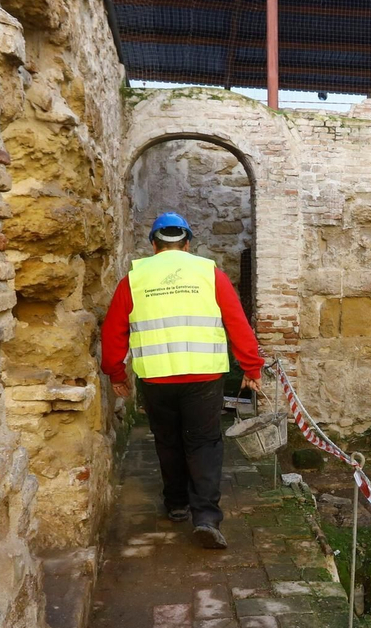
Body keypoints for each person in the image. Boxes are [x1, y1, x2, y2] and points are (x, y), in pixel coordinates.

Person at [101, 212, 263, 549]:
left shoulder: (134, 279)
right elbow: (237, 323)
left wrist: (117, 373)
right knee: (203, 443)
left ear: (154, 245)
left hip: (156, 378)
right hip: (203, 376)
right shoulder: (209, 273)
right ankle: (205, 516)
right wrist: (251, 367)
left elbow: (113, 331)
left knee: (168, 440)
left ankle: (176, 504)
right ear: (187, 243)